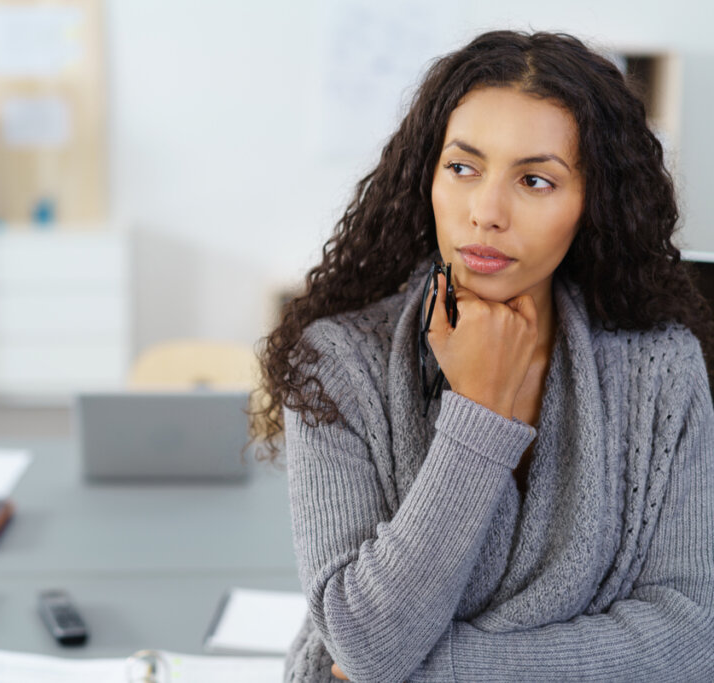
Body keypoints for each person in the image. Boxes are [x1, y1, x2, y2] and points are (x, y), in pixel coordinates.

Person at [252, 30, 714, 682]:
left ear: (595, 203)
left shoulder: (661, 368)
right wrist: (479, 412)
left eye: (535, 180)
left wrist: (432, 671)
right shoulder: (339, 360)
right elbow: (367, 643)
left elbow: (692, 635)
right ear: (426, 178)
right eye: (462, 168)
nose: (485, 212)